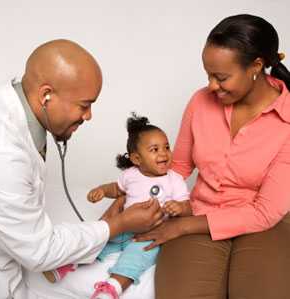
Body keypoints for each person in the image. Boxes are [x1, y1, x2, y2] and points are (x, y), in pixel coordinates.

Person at [0, 39, 163, 299]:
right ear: (46, 95)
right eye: (84, 105)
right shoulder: (2, 153)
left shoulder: (16, 105)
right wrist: (116, 225)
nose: (89, 115)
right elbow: (40, 250)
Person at [134, 14, 290, 299]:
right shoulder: (201, 101)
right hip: (200, 212)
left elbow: (265, 213)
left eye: (221, 77)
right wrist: (136, 190)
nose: (211, 86)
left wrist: (183, 226)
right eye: (208, 74)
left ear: (256, 66)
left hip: (268, 224)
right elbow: (178, 166)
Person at [44, 113, 190, 299]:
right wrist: (102, 190)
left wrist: (179, 207)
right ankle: (69, 264)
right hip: (126, 226)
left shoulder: (174, 180)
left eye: (166, 147)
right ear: (137, 159)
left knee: (136, 259)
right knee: (100, 243)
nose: (163, 153)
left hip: (149, 234)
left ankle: (113, 287)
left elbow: (188, 206)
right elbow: (117, 188)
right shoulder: (131, 174)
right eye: (155, 149)